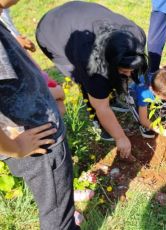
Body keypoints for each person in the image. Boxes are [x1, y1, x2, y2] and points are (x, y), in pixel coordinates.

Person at [36, 1, 149, 161]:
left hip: (80, 14)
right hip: (53, 32)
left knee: (108, 83)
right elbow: (101, 107)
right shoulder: (93, 65)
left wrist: (124, 74)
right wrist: (120, 137)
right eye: (124, 71)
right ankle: (99, 122)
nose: (130, 74)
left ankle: (112, 98)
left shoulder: (137, 37)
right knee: (87, 83)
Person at [0, 0, 77, 229]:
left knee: (59, 209)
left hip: (38, 136)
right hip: (40, 146)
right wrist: (16, 148)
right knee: (57, 219)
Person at [0, 8, 66, 115]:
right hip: (27, 89)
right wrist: (55, 92)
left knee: (59, 107)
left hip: (32, 73)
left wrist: (17, 41)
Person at [129, 69, 166, 148]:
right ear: (154, 91)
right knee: (137, 107)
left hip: (154, 92)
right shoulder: (144, 93)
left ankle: (157, 109)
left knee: (164, 106)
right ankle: (143, 127)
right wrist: (165, 132)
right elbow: (143, 120)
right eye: (165, 98)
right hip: (135, 92)